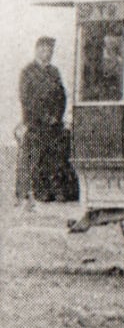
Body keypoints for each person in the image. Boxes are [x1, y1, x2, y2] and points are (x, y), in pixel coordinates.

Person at [16, 36, 69, 206]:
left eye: (51, 51)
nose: (48, 53)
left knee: (55, 157)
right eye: (45, 50)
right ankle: (39, 192)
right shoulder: (28, 72)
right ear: (37, 49)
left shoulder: (54, 72)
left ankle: (55, 190)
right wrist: (43, 118)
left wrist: (57, 116)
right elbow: (27, 99)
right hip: (36, 123)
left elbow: (61, 96)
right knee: (37, 158)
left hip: (54, 123)